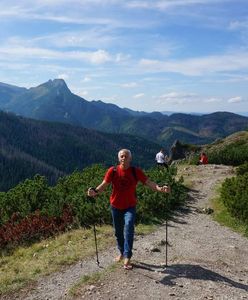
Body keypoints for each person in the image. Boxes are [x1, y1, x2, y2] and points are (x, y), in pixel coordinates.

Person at [87, 149, 170, 270]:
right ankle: (121, 252)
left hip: (130, 206)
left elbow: (149, 182)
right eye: (121, 156)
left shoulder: (135, 172)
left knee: (129, 226)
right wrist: (94, 192)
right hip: (115, 206)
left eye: (126, 156)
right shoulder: (113, 171)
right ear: (118, 158)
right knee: (118, 232)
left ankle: (127, 256)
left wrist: (160, 188)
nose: (123, 158)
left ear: (130, 158)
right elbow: (104, 184)